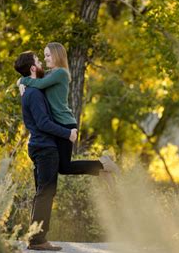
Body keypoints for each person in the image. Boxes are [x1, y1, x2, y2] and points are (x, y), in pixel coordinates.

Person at [18, 42, 119, 175]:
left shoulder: (61, 73)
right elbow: (34, 77)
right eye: (44, 56)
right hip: (57, 123)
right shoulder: (50, 73)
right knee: (62, 167)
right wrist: (20, 80)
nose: (45, 58)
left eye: (48, 55)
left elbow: (40, 84)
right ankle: (102, 170)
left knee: (64, 167)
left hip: (64, 122)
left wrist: (22, 82)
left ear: (57, 55)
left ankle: (103, 164)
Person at [15, 51, 78, 251]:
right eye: (38, 60)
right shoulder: (33, 93)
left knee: (43, 192)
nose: (42, 62)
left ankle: (35, 237)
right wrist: (66, 133)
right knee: (45, 193)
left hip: (40, 146)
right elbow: (43, 123)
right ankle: (38, 240)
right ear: (33, 68)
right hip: (44, 147)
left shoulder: (31, 90)